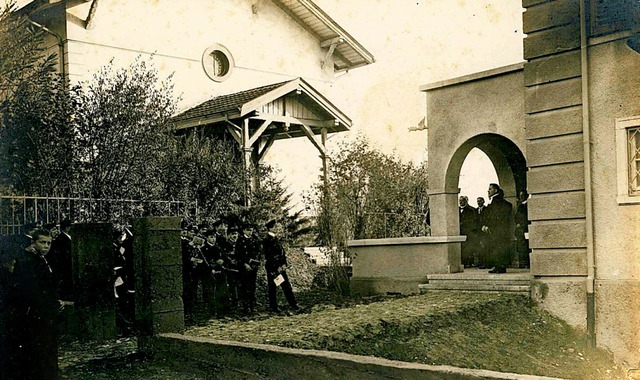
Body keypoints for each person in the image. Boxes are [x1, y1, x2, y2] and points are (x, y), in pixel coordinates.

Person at [4, 229, 61, 379]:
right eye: (42, 242)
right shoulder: (27, 261)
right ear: (33, 243)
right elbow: (30, 289)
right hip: (34, 313)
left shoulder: (42, 259)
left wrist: (55, 300)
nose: (46, 246)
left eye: (49, 243)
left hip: (45, 311)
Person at [262, 219, 298, 312]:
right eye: (276, 227)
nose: (278, 228)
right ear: (271, 228)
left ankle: (293, 304)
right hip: (273, 268)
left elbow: (281, 254)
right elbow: (270, 255)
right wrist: (277, 266)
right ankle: (274, 307)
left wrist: (284, 264)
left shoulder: (275, 239)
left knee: (285, 286)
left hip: (280, 267)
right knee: (274, 287)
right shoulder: (267, 240)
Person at [481, 184, 514, 274]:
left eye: (490, 189)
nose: (488, 191)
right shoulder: (495, 201)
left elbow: (494, 216)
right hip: (500, 229)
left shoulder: (496, 201)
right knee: (499, 247)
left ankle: (499, 267)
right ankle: (500, 266)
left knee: (497, 247)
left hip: (497, 229)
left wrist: (488, 225)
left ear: (495, 190)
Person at [235, 223, 261, 313]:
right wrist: (245, 263)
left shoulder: (255, 240)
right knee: (244, 287)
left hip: (253, 267)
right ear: (244, 231)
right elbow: (238, 255)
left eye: (251, 230)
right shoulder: (240, 241)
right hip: (244, 267)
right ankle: (245, 307)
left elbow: (258, 253)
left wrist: (255, 263)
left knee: (252, 286)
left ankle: (252, 305)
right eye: (248, 230)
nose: (250, 232)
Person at [458, 196, 477, 267]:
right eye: (459, 201)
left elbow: (473, 221)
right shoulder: (456, 209)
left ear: (466, 201)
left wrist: (464, 223)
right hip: (459, 231)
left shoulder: (471, 210)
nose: (460, 202)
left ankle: (468, 262)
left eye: (462, 200)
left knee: (468, 247)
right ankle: (462, 262)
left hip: (468, 231)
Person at [514, 190, 530, 268]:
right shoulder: (520, 206)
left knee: (526, 245)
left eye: (522, 195)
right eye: (520, 196)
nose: (521, 197)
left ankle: (527, 263)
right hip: (521, 229)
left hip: (526, 228)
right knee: (521, 246)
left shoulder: (528, 205)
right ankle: (523, 262)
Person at [476, 197, 489, 269]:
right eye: (478, 201)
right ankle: (480, 262)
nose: (479, 202)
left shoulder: (487, 209)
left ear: (483, 201)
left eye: (480, 201)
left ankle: (486, 263)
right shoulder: (475, 210)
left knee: (485, 247)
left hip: (484, 232)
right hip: (478, 232)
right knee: (479, 248)